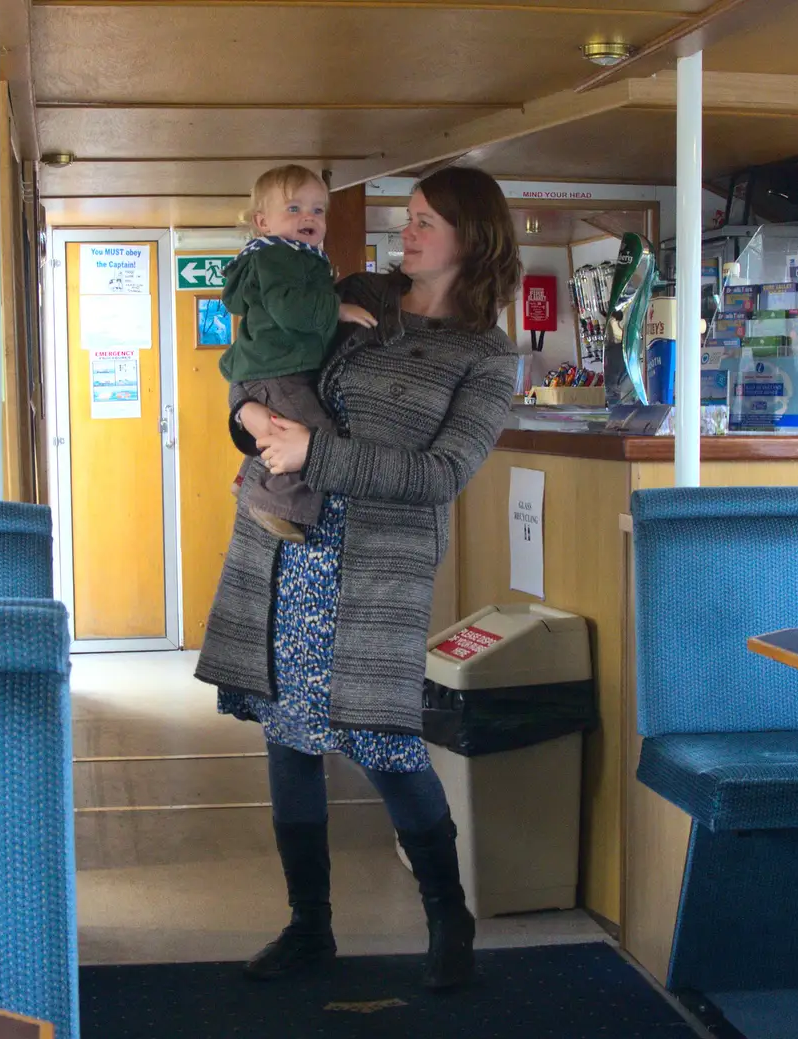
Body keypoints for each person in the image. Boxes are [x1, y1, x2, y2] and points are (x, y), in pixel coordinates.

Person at [194, 165, 521, 991]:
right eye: (406, 218)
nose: (405, 233)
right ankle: (310, 926)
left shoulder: (484, 355)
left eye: (425, 223)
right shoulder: (357, 293)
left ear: (471, 240)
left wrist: (320, 453)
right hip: (286, 541)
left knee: (382, 740)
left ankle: (448, 914)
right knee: (288, 733)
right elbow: (262, 360)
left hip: (377, 564)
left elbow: (444, 472)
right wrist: (246, 414)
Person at [219, 165, 378, 543]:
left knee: (282, 426)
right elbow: (287, 308)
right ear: (263, 222)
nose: (308, 217)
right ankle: (274, 502)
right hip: (279, 369)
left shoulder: (293, 255)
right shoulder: (280, 257)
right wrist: (335, 308)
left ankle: (247, 479)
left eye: (318, 210)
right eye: (293, 209)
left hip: (275, 367)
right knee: (315, 437)